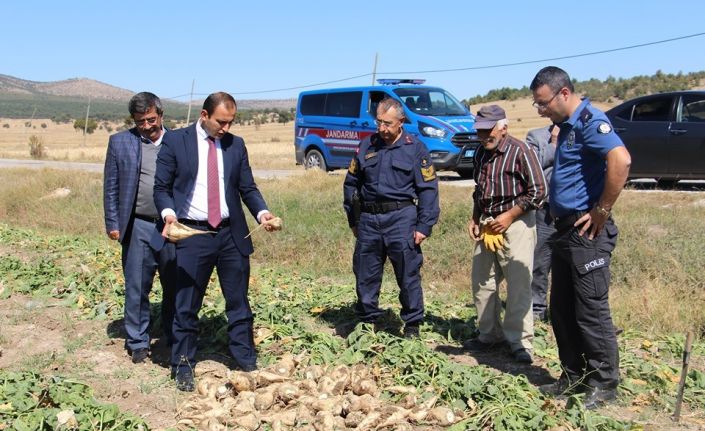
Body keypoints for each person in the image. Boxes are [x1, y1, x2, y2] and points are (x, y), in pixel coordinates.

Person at [154, 92, 278, 391]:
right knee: (186, 303)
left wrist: (262, 212)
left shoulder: (236, 145)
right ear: (204, 115)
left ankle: (245, 359)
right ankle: (183, 363)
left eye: (231, 122)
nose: (226, 128)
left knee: (238, 302)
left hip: (230, 233)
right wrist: (169, 215)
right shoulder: (177, 141)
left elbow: (247, 187)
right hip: (192, 234)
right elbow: (161, 187)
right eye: (221, 122)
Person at [530, 66, 631, 409]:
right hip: (564, 232)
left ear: (563, 93)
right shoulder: (567, 128)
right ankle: (573, 376)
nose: (540, 110)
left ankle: (604, 385)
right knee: (561, 310)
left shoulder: (591, 122)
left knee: (591, 312)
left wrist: (602, 210)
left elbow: (621, 159)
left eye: (543, 103)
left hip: (586, 233)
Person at [343, 97, 440, 339]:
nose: (382, 129)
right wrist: (354, 220)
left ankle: (412, 325)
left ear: (401, 122)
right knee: (365, 273)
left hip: (401, 219)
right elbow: (351, 183)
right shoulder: (367, 146)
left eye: (387, 123)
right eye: (379, 122)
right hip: (369, 220)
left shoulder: (415, 148)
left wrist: (424, 226)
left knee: (408, 274)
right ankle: (367, 321)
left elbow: (428, 189)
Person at [465, 105, 546, 364]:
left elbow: (538, 192)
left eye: (488, 131)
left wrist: (509, 216)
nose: (483, 136)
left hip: (517, 222)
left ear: (503, 128)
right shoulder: (480, 153)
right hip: (489, 222)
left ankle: (520, 342)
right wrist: (475, 218)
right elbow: (480, 189)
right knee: (482, 281)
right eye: (479, 131)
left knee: (519, 284)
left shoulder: (520, 151)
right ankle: (489, 334)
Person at [103, 92, 176, 364]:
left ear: (161, 114)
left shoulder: (180, 141)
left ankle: (172, 337)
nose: (146, 126)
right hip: (138, 226)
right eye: (140, 121)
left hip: (173, 227)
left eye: (151, 119)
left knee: (175, 285)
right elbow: (111, 187)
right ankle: (138, 342)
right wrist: (113, 223)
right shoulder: (120, 142)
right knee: (136, 286)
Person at [525, 125, 559, 322]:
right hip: (546, 208)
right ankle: (537, 307)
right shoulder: (536, 136)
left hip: (575, 209)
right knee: (540, 260)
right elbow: (532, 167)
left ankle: (566, 310)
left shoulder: (583, 133)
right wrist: (554, 144)